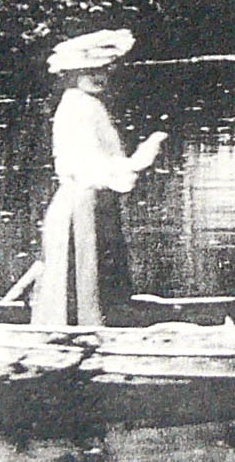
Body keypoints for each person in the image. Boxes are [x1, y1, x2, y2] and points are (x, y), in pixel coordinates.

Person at [30, 29, 167, 326]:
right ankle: (87, 333)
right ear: (71, 73)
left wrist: (129, 165)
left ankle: (92, 327)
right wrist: (137, 162)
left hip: (93, 201)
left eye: (104, 69)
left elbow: (104, 161)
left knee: (97, 275)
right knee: (86, 275)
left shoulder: (87, 104)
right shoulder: (79, 107)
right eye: (90, 71)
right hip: (82, 203)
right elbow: (88, 165)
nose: (100, 76)